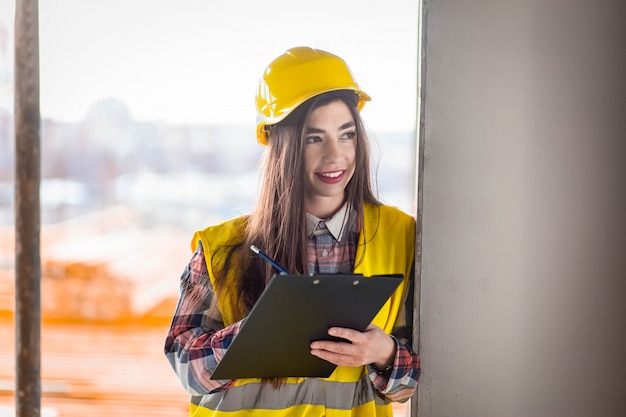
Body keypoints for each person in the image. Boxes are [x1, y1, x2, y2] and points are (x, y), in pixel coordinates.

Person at [164, 46, 420, 416]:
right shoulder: (221, 248)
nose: (335, 156)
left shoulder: (401, 237)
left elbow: (413, 384)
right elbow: (186, 368)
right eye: (313, 138)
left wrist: (384, 353)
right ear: (282, 146)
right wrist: (258, 333)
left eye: (346, 135)